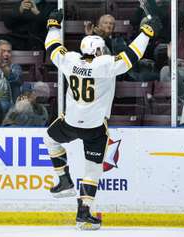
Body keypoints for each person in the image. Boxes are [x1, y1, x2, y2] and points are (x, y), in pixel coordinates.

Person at [43, 9, 159, 230]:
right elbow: (133, 55)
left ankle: (64, 180)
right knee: (92, 170)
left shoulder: (70, 59)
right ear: (97, 50)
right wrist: (146, 33)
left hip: (70, 123)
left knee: (50, 139)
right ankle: (84, 212)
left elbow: (52, 47)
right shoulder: (105, 63)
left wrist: (54, 26)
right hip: (95, 128)